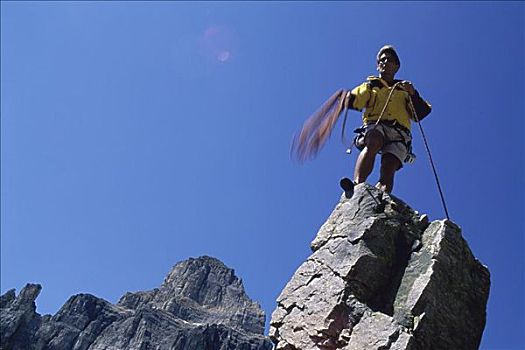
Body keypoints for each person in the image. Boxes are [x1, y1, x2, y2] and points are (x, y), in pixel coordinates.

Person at [292, 45, 432, 195]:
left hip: (400, 133)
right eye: (382, 60)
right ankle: (358, 184)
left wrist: (413, 94)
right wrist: (348, 98)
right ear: (378, 65)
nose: (384, 62)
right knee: (373, 141)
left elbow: (421, 112)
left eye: (389, 60)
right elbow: (358, 98)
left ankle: (383, 195)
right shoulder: (371, 85)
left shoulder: (404, 91)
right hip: (377, 125)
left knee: (389, 164)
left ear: (396, 66)